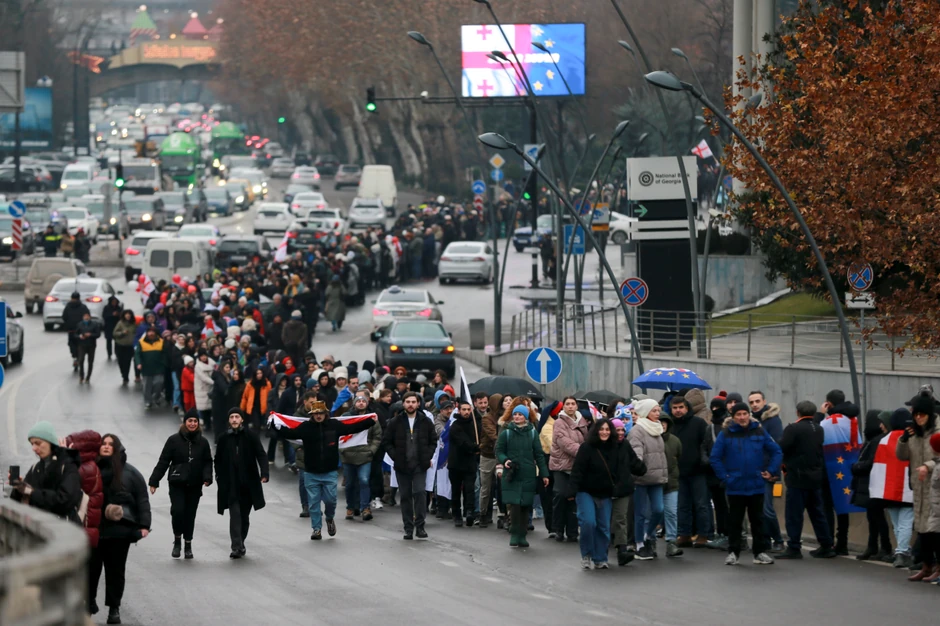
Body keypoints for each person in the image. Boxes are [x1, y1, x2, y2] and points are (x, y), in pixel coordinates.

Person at [290, 397, 375, 540]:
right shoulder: (306, 427)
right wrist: (274, 425)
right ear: (312, 414)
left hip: (329, 472)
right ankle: (316, 529)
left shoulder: (334, 425)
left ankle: (329, 518)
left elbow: (352, 428)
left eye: (321, 413)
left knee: (331, 500)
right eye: (315, 413)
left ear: (325, 413)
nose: (318, 416)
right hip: (311, 472)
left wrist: (370, 421)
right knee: (314, 503)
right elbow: (290, 433)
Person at [709, 401, 782, 566]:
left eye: (744, 414)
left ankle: (759, 552)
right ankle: (733, 552)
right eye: (738, 414)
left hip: (756, 484)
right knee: (735, 521)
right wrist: (725, 477)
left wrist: (770, 470)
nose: (742, 417)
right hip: (735, 485)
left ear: (749, 415)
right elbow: (715, 457)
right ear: (733, 417)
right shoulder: (726, 434)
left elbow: (776, 451)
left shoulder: (759, 431)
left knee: (758, 520)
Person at [90, 434, 151, 624]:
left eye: (111, 444)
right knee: (90, 571)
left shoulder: (131, 473)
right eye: (103, 444)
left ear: (117, 449)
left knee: (115, 572)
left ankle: (114, 608)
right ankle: (88, 603)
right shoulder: (90, 470)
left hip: (119, 532)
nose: (106, 447)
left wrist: (144, 525)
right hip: (94, 531)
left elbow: (142, 500)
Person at [149, 410, 213, 560]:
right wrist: (154, 481)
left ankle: (188, 545)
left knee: (190, 515)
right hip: (177, 483)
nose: (192, 423)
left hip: (195, 484)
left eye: (195, 421)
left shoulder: (203, 442)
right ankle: (177, 541)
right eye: (190, 421)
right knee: (178, 511)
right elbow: (164, 461)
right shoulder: (173, 440)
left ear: (198, 423)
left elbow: (207, 462)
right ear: (185, 422)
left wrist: (207, 477)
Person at [776, 401, 835, 559]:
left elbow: (781, 447)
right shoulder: (818, 429)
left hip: (797, 477)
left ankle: (794, 547)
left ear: (797, 412)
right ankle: (826, 545)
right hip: (815, 477)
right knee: (817, 514)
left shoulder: (793, 428)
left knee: (794, 515)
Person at [382, 391, 438, 540]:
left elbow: (433, 440)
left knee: (419, 493)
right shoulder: (395, 422)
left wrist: (427, 456)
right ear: (403, 404)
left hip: (420, 465)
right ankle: (408, 528)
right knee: (405, 496)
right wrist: (395, 456)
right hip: (402, 465)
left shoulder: (425, 421)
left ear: (418, 404)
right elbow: (387, 441)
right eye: (408, 402)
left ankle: (420, 526)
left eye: (413, 402)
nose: (411, 405)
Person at [214, 408, 269, 559]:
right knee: (235, 515)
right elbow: (217, 460)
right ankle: (236, 546)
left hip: (248, 484)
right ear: (229, 420)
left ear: (242, 419)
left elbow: (261, 454)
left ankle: (241, 541)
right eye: (231, 417)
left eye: (237, 417)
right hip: (231, 485)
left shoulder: (251, 436)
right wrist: (219, 477)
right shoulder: (223, 438)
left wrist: (264, 473)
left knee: (244, 517)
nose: (234, 419)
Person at [897, 390, 939, 581]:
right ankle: (926, 566)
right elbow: (901, 456)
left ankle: (938, 566)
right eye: (916, 415)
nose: (918, 418)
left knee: (935, 530)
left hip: (935, 486)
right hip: (919, 486)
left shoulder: (937, 431)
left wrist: (927, 466)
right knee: (922, 530)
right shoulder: (914, 432)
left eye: (922, 415)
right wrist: (903, 439)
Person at [568, 419, 621, 569]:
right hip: (585, 491)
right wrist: (572, 490)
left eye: (607, 429)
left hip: (605, 493)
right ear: (596, 431)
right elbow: (577, 470)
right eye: (601, 429)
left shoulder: (614, 448)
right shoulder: (586, 448)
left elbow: (620, 470)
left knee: (603, 527)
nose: (604, 432)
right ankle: (586, 554)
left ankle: (600, 558)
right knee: (588, 523)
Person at [495, 404, 549, 548]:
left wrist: (544, 474)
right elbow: (499, 450)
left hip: (528, 473)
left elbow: (539, 454)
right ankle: (514, 533)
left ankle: (523, 535)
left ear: (525, 417)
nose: (517, 417)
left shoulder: (532, 433)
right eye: (515, 414)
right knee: (514, 505)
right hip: (512, 473)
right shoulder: (506, 433)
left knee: (525, 505)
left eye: (520, 414)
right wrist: (505, 460)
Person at [10, 421, 83, 521]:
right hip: (40, 526)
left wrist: (32, 493)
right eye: (32, 444)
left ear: (50, 442)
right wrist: (18, 488)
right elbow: (16, 502)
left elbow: (65, 501)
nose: (33, 448)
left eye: (38, 443)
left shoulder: (68, 465)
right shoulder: (35, 468)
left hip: (64, 526)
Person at [850, 409, 894, 561]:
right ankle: (874, 546)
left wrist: (856, 467)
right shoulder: (876, 440)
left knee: (877, 517)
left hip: (872, 483)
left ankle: (883, 547)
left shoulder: (877, 441)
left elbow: (871, 462)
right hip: (872, 483)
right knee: (874, 517)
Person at [668, 395, 711, 548]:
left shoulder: (698, 423)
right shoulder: (670, 425)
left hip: (698, 471)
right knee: (682, 506)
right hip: (679, 473)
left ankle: (703, 535)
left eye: (681, 407)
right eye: (675, 408)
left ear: (687, 408)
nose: (678, 410)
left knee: (701, 505)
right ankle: (684, 534)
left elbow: (706, 444)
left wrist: (703, 462)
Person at [628, 399, 668, 561]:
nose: (658, 414)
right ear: (645, 412)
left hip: (657, 478)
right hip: (641, 478)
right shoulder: (637, 431)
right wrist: (638, 468)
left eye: (658, 410)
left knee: (659, 509)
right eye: (654, 411)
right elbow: (636, 452)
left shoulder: (657, 429)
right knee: (641, 513)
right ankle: (639, 544)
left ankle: (647, 535)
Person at [747, 390, 786, 552]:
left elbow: (777, 448)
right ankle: (765, 540)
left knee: (766, 508)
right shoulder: (750, 421)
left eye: (757, 401)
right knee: (756, 510)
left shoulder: (773, 420)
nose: (755, 404)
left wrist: (773, 471)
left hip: (766, 472)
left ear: (764, 401)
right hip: (752, 471)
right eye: (752, 402)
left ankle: (778, 540)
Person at [550, 396, 592, 543]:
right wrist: (583, 452)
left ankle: (572, 531)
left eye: (573, 404)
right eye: (567, 404)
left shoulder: (582, 422)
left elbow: (587, 440)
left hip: (576, 467)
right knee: (560, 495)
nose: (570, 406)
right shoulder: (559, 422)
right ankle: (558, 529)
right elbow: (564, 442)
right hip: (561, 466)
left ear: (577, 406)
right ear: (563, 407)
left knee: (574, 499)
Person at [609, 418, 647, 566]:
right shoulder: (604, 446)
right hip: (605, 488)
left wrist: (643, 468)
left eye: (622, 430)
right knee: (605, 520)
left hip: (623, 488)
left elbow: (634, 462)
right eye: (617, 430)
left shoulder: (625, 444)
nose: (620, 433)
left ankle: (622, 551)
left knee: (621, 519)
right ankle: (601, 550)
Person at [340, 392, 383, 521]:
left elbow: (377, 436)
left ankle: (365, 508)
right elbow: (339, 435)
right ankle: (350, 507)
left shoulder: (372, 419)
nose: (361, 403)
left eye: (363, 401)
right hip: (348, 455)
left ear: (367, 403)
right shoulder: (346, 418)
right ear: (354, 404)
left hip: (365, 456)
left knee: (364, 481)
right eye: (358, 401)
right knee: (350, 484)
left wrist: (371, 451)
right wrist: (343, 450)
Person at [448, 400, 481, 527]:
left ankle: (469, 512)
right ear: (459, 410)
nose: (466, 412)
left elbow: (480, 436)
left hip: (469, 463)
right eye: (464, 409)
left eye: (468, 410)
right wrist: (475, 447)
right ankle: (457, 514)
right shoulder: (455, 426)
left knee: (470, 489)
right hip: (456, 463)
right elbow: (463, 442)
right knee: (456, 490)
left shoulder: (474, 425)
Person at [659, 414, 683, 557]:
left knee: (672, 513)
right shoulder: (650, 438)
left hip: (671, 482)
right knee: (653, 513)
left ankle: (672, 542)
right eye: (659, 422)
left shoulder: (675, 441)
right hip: (654, 482)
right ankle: (648, 541)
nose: (662, 424)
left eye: (664, 422)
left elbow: (678, 457)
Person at [134, 326, 167, 409]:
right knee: (147, 386)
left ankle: (156, 398)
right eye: (149, 332)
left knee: (159, 383)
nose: (151, 333)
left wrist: (164, 363)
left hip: (158, 367)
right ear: (147, 333)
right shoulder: (141, 342)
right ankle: (148, 401)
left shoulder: (161, 342)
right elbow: (137, 354)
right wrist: (139, 363)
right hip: (146, 368)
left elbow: (165, 354)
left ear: (155, 333)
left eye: (153, 332)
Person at [62, 291, 89, 371]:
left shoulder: (68, 306)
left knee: (72, 344)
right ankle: (79, 357)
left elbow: (64, 317)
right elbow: (87, 317)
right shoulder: (83, 307)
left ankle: (75, 357)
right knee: (80, 345)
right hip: (81, 330)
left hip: (71, 329)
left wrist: (68, 324)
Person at [240, 367, 272, 432]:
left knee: (261, 425)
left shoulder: (267, 383)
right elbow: (245, 396)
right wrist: (242, 408)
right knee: (256, 425)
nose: (259, 375)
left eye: (260, 373)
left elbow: (270, 396)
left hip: (263, 407)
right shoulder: (250, 384)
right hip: (253, 407)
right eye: (257, 373)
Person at [111, 310, 138, 385]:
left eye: (129, 314)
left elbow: (137, 333)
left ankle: (126, 376)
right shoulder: (120, 323)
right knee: (121, 361)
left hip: (130, 346)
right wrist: (122, 333)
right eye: (126, 314)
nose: (128, 316)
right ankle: (123, 373)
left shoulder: (134, 324)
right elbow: (115, 333)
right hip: (120, 345)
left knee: (127, 361)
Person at [75, 310, 101, 384]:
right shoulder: (79, 324)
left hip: (91, 345)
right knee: (81, 360)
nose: (86, 317)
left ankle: (88, 377)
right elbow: (75, 334)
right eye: (85, 316)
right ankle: (81, 376)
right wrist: (80, 336)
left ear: (90, 317)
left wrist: (91, 335)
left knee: (90, 361)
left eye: (87, 316)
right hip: (82, 345)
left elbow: (98, 334)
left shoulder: (94, 324)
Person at [194, 350, 215, 430]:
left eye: (205, 355)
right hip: (202, 389)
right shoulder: (198, 366)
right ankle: (207, 424)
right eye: (202, 356)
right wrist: (214, 382)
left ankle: (209, 423)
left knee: (210, 407)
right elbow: (203, 378)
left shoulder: (212, 363)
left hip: (211, 388)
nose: (204, 357)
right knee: (204, 408)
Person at [102, 296, 122, 361]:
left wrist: (118, 314)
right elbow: (104, 316)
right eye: (113, 302)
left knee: (117, 341)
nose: (114, 303)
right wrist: (111, 315)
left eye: (115, 302)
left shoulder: (118, 308)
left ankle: (117, 353)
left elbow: (122, 316)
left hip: (116, 326)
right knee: (109, 341)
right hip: (108, 326)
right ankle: (109, 353)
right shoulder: (106, 308)